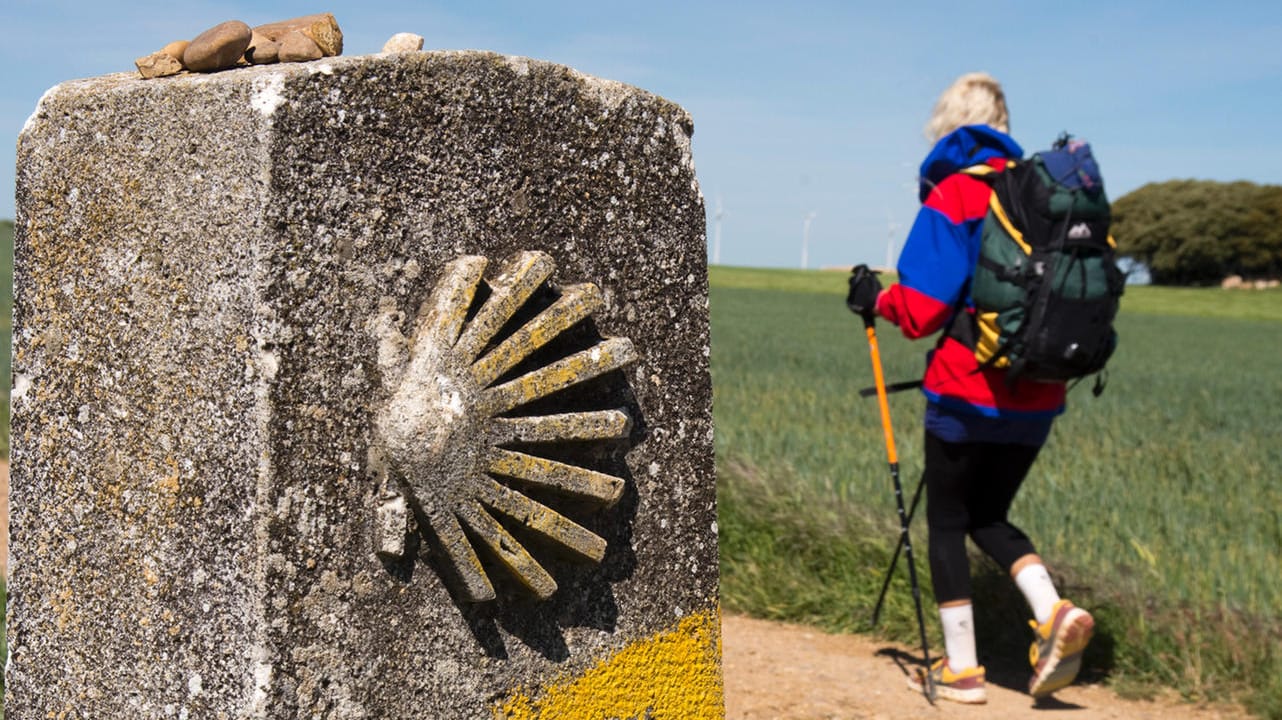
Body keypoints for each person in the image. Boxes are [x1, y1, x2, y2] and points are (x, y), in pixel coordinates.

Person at [846, 72, 1094, 704]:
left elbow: (923, 310)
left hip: (965, 390)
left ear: (947, 127)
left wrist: (876, 299)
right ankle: (1053, 610)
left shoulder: (957, 193)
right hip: (1040, 391)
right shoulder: (1040, 195)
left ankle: (963, 669)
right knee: (991, 513)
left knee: (950, 520)